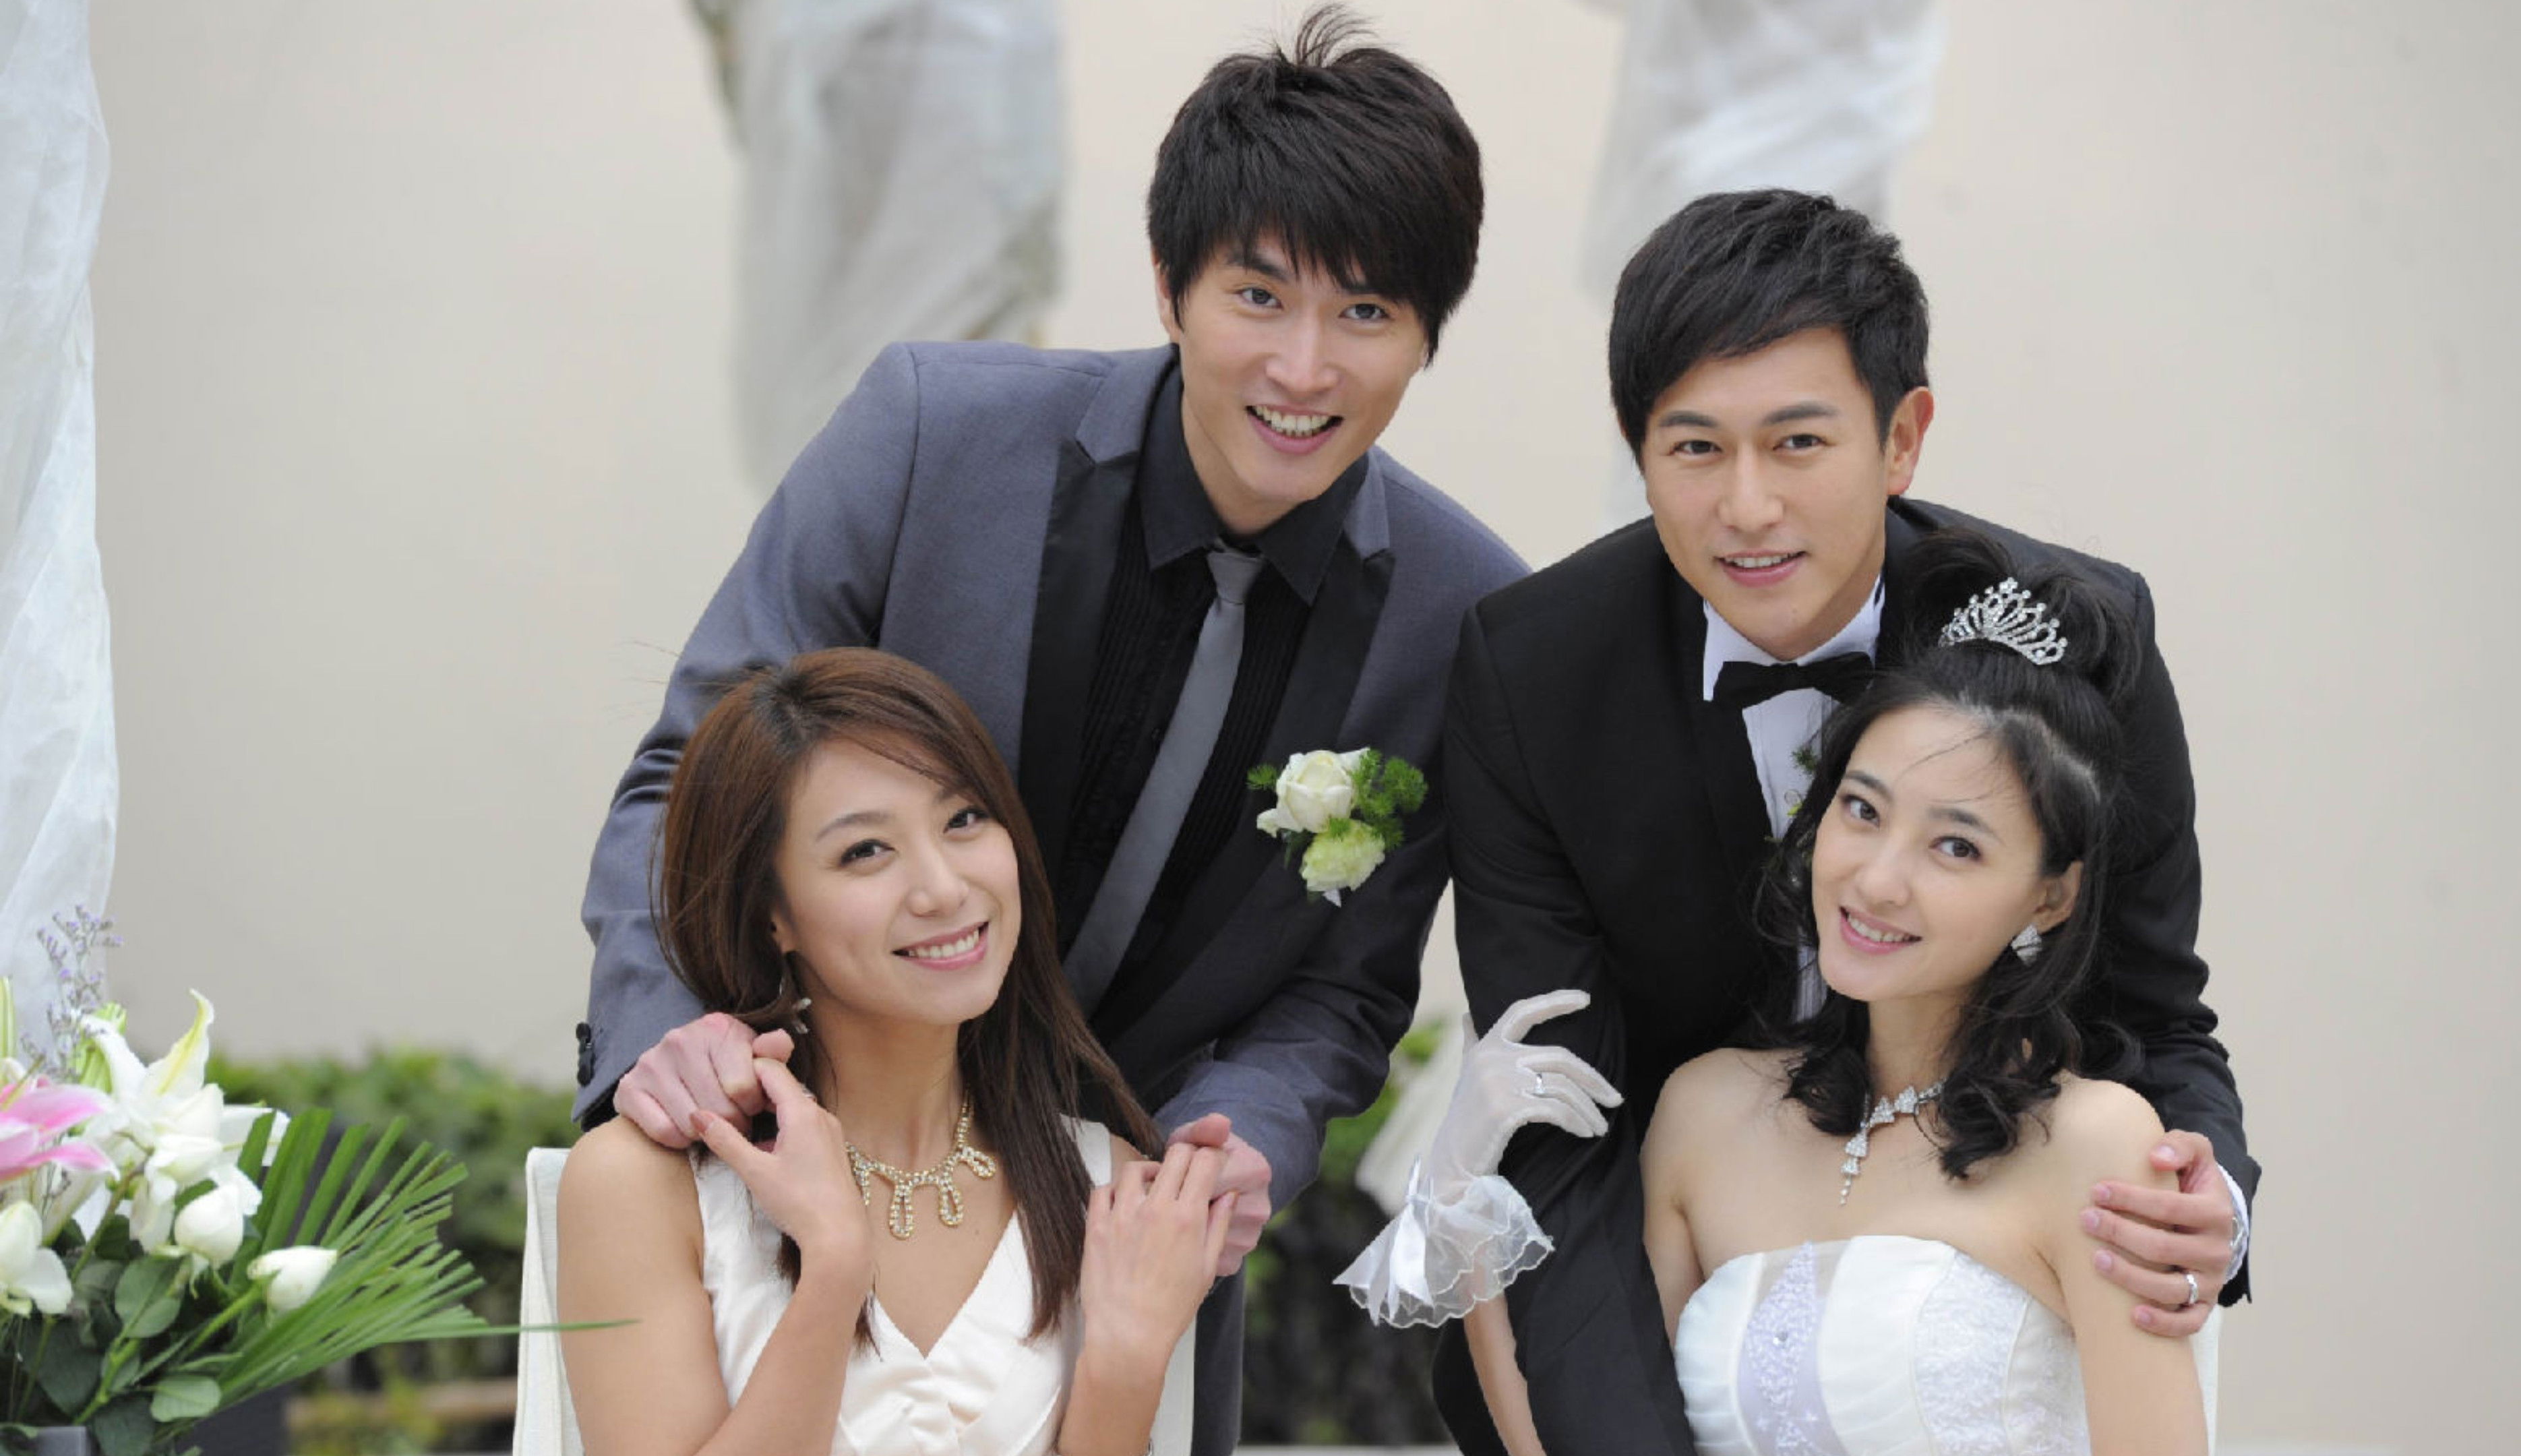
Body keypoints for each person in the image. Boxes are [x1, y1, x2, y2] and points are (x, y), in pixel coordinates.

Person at [573, 10, 1520, 1450]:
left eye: (1367, 315)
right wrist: (668, 1037)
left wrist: (1241, 1138)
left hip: (1127, 1255)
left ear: (1429, 335)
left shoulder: (1462, 622)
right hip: (811, 1167)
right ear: (1168, 284)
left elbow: (1346, 988)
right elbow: (690, 773)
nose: (1304, 367)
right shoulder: (928, 434)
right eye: (1258, 296)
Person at [1432, 189, 2258, 1453]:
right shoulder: (1532, 674)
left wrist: (2210, 1213)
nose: (1747, 507)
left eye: (1799, 443)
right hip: (1647, 1319)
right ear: (1637, 446)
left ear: (1902, 436)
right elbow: (1567, 1120)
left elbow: (2155, 1007)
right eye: (1695, 447)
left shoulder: (2074, 640)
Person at [1351, 538, 2214, 1453]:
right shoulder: (1708, 1112)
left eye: (1955, 846)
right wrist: (1467, 1198)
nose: (1877, 881)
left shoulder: (2093, 1143)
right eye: (1863, 810)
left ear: (2051, 895)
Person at [557, 648, 1226, 1456]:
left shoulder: (1105, 1187)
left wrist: (1125, 1368)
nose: (943, 888)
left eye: (964, 819)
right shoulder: (643, 1185)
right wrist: (835, 1269)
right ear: (771, 914)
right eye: (866, 851)